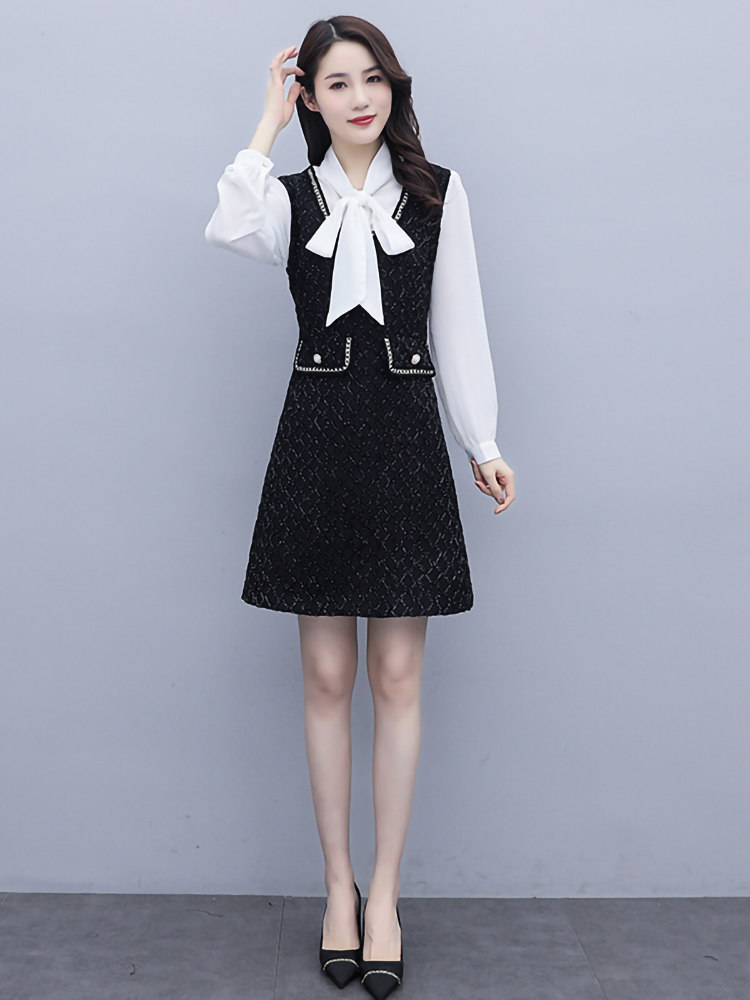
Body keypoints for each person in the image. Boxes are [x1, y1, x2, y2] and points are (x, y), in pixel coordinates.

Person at [205, 15, 515, 997]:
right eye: (336, 83)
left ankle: (385, 896)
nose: (360, 98)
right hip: (316, 441)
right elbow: (230, 224)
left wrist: (482, 441)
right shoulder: (288, 198)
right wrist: (265, 121)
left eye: (373, 78)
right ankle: (336, 887)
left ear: (394, 87)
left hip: (405, 442)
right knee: (328, 676)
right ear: (313, 97)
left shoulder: (437, 192)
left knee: (399, 676)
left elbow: (460, 321)